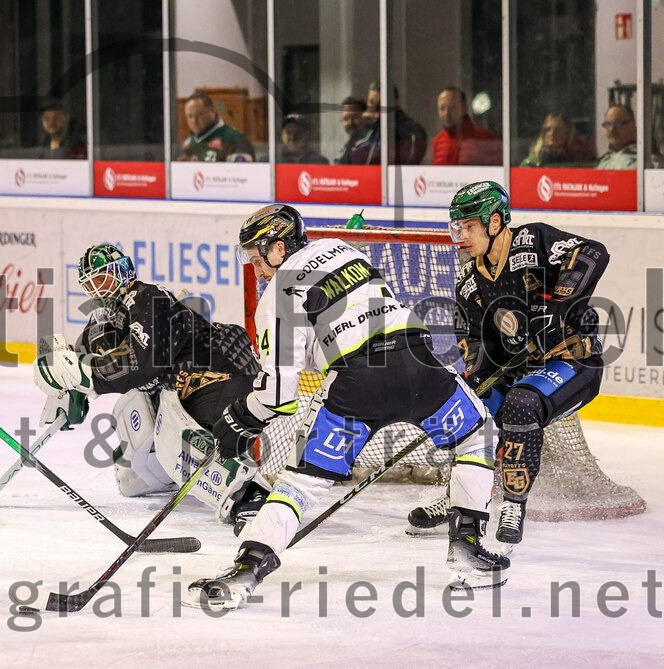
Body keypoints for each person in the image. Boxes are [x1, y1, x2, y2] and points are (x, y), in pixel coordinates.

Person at [183, 204, 506, 610]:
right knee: (477, 437)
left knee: (304, 483)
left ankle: (245, 573)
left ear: (279, 248)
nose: (256, 267)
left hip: (358, 387)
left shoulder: (276, 296)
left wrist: (239, 418)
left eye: (257, 255)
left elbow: (279, 395)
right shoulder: (343, 249)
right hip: (419, 363)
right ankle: (467, 546)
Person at [408, 182, 609, 545]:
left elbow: (593, 253)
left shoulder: (532, 240)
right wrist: (476, 376)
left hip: (573, 364)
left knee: (521, 404)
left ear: (495, 221)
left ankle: (514, 504)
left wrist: (556, 312)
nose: (461, 236)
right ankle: (462, 496)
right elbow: (474, 339)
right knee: (471, 410)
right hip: (519, 370)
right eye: (457, 227)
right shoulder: (469, 279)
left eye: (469, 226)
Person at [32, 244, 269, 524]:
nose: (99, 289)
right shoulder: (101, 321)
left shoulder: (148, 297)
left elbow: (140, 366)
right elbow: (73, 354)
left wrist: (87, 376)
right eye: (92, 283)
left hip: (222, 368)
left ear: (123, 272)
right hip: (184, 387)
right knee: (132, 479)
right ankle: (174, 473)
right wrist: (60, 374)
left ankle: (252, 494)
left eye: (104, 278)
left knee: (182, 444)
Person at [336, 83, 427, 165]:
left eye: (380, 104)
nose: (373, 108)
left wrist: (382, 122)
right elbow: (348, 159)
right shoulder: (366, 129)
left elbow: (412, 158)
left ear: (394, 102)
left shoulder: (411, 129)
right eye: (371, 102)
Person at [177, 91, 254, 162]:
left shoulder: (234, 138)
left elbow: (245, 172)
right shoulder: (185, 145)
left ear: (211, 112)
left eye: (199, 114)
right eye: (190, 116)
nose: (194, 121)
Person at [432, 86, 501, 165]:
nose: (447, 113)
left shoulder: (485, 137)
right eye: (442, 108)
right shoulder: (438, 140)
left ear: (464, 108)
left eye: (453, 107)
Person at [518, 113, 594, 168]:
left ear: (567, 132)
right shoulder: (533, 161)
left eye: (558, 129)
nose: (552, 133)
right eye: (548, 129)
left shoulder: (578, 157)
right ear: (543, 133)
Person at [596, 105, 637, 169]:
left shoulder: (641, 159)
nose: (611, 129)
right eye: (607, 124)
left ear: (632, 125)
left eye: (617, 123)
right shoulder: (604, 160)